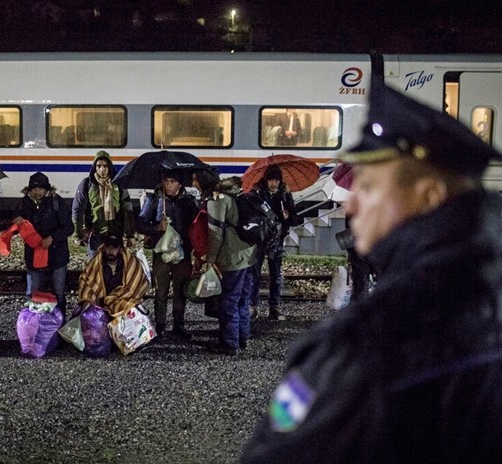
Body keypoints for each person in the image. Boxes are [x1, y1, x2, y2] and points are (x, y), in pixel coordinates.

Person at [241, 80, 502, 463]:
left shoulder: (362, 345)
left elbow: (273, 452)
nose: (352, 206)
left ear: (428, 196)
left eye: (366, 185)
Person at [193, 171, 256, 356]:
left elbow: (216, 233)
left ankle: (229, 344)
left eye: (195, 180)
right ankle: (242, 338)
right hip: (247, 254)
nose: (194, 184)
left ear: (204, 182)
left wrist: (210, 260)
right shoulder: (236, 193)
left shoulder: (217, 200)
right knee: (242, 301)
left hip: (232, 257)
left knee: (229, 302)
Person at [136, 170, 198, 338]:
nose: (169, 185)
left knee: (180, 291)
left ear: (180, 184)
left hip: (182, 254)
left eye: (173, 181)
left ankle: (179, 325)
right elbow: (141, 224)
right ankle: (160, 326)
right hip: (161, 253)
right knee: (160, 291)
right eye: (166, 181)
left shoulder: (189, 202)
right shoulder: (154, 199)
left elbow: (195, 227)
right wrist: (157, 228)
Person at [11, 171, 73, 311]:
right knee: (32, 293)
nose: (37, 192)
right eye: (34, 189)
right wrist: (15, 222)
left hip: (57, 256)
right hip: (34, 257)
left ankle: (59, 324)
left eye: (40, 189)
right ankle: (32, 326)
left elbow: (69, 227)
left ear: (47, 189)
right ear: (29, 189)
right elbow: (11, 227)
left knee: (58, 294)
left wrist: (52, 238)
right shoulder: (23, 204)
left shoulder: (57, 202)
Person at [249, 166, 298, 320]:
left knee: (275, 274)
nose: (274, 183)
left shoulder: (285, 194)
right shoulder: (257, 193)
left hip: (276, 240)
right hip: (259, 239)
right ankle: (253, 306)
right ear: (266, 180)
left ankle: (274, 307)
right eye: (271, 180)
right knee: (254, 274)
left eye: (276, 180)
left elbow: (294, 217)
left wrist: (287, 216)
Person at [71, 150, 135, 259]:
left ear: (109, 167)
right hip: (95, 233)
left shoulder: (118, 184)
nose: (102, 170)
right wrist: (78, 234)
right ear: (94, 167)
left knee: (115, 269)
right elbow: (78, 209)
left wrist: (130, 235)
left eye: (105, 166)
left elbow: (127, 210)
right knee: (95, 270)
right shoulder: (87, 184)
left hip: (115, 232)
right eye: (99, 166)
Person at [77, 234, 150, 316]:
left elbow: (134, 286)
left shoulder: (131, 264)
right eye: (108, 247)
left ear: (120, 249)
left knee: (130, 308)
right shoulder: (96, 264)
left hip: (121, 302)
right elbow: (87, 282)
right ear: (104, 248)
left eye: (115, 247)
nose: (111, 250)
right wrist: (88, 300)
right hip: (99, 306)